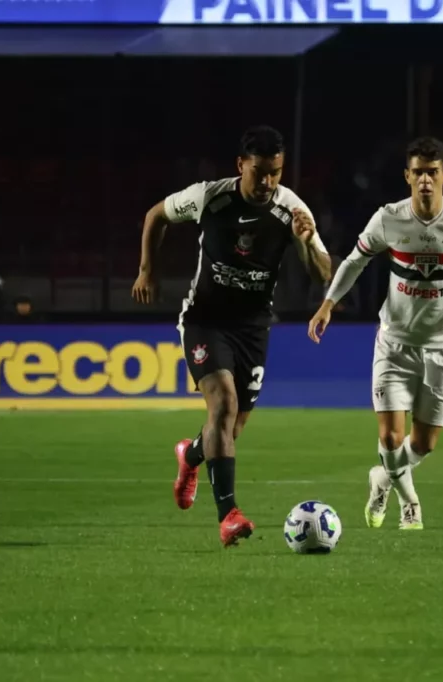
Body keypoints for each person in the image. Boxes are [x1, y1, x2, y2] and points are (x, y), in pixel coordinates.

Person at [131, 125, 332, 548]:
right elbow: (155, 215)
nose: (268, 182)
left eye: (276, 173)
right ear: (241, 165)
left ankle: (190, 455)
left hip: (253, 329)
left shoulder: (292, 209)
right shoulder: (209, 196)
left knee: (230, 427)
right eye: (260, 172)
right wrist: (147, 270)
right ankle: (229, 516)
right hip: (205, 320)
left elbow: (323, 274)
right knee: (223, 404)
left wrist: (307, 242)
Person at [307, 137, 443, 531]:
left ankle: (382, 478)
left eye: (432, 172)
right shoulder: (388, 219)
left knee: (424, 443)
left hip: (442, 346)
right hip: (394, 343)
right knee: (391, 437)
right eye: (418, 173)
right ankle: (410, 503)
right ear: (407, 177)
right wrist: (328, 303)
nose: (425, 180)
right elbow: (355, 261)